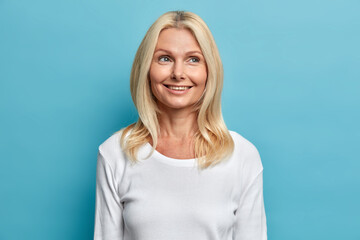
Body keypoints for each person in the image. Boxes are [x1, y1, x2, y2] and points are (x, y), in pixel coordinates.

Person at [94, 10, 267, 240]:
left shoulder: (242, 156)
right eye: (164, 58)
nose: (178, 73)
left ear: (209, 71)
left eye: (193, 59)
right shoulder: (115, 153)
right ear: (146, 68)